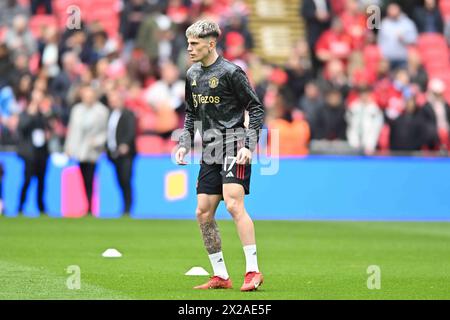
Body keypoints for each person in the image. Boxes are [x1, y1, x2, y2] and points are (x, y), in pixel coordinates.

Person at [175, 20, 265, 291]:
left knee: (233, 204)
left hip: (234, 144)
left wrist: (249, 145)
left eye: (194, 44)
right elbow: (191, 113)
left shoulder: (231, 72)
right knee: (203, 212)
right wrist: (184, 142)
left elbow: (256, 109)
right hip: (210, 149)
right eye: (188, 43)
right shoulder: (191, 74)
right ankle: (221, 276)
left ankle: (253, 271)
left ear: (211, 44)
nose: (189, 48)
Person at [65, 85, 108, 215]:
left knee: (91, 179)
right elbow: (72, 130)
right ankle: (86, 205)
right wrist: (68, 148)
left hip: (92, 150)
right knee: (83, 179)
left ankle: (90, 207)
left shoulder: (101, 111)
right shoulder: (77, 110)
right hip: (79, 150)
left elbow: (105, 131)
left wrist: (98, 142)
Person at [17, 89, 49, 215]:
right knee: (27, 180)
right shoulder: (25, 114)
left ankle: (41, 207)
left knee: (42, 181)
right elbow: (22, 128)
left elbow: (50, 127)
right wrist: (31, 113)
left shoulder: (43, 115)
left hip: (41, 153)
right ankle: (21, 205)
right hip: (29, 154)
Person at [105, 90, 137, 216]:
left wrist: (125, 144)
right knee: (119, 180)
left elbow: (131, 131)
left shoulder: (128, 114)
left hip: (126, 155)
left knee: (126, 179)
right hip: (113, 153)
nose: (113, 102)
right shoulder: (110, 114)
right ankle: (125, 206)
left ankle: (128, 208)